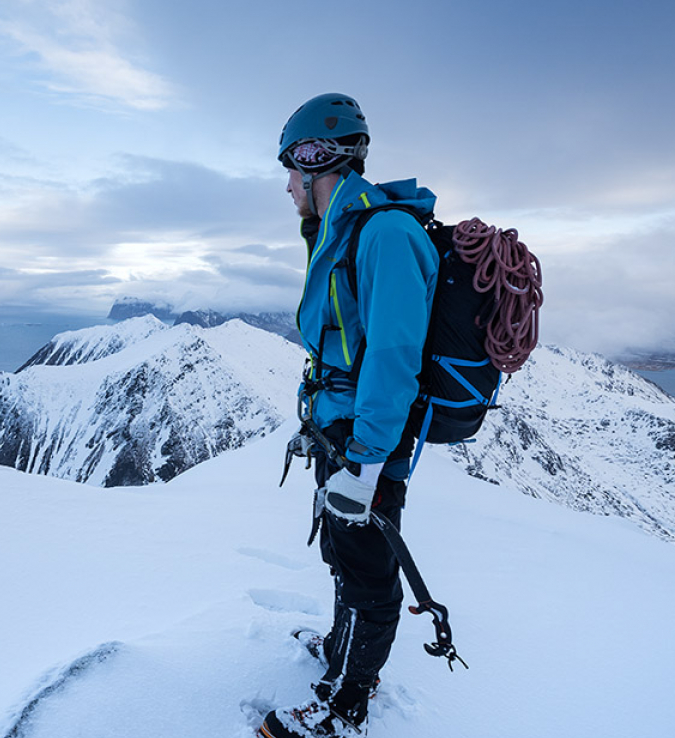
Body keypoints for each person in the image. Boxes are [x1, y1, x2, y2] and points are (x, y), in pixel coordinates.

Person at [259, 93, 439, 738]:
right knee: (342, 547)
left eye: (291, 170)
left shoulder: (384, 233)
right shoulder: (343, 228)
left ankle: (346, 703)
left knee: (368, 565)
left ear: (319, 159)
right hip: (342, 425)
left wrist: (366, 460)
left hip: (368, 436)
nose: (287, 185)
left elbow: (394, 354)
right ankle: (342, 650)